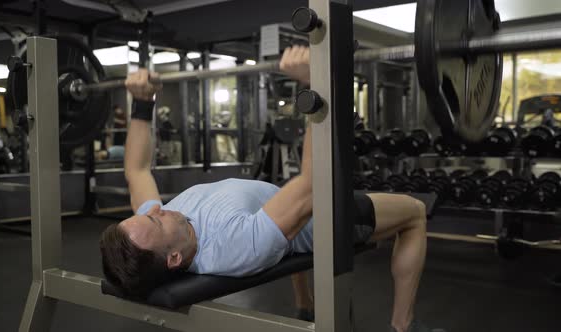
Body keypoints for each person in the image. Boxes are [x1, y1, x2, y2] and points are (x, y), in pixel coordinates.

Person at [100, 46, 444, 332]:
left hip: (277, 202)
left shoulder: (149, 232)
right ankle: (403, 326)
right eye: (157, 221)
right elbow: (312, 185)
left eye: (150, 213)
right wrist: (314, 83)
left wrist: (143, 102)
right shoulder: (233, 245)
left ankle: (303, 304)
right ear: (174, 258)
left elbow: (137, 169)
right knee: (414, 212)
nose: (155, 209)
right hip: (327, 215)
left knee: (280, 211)